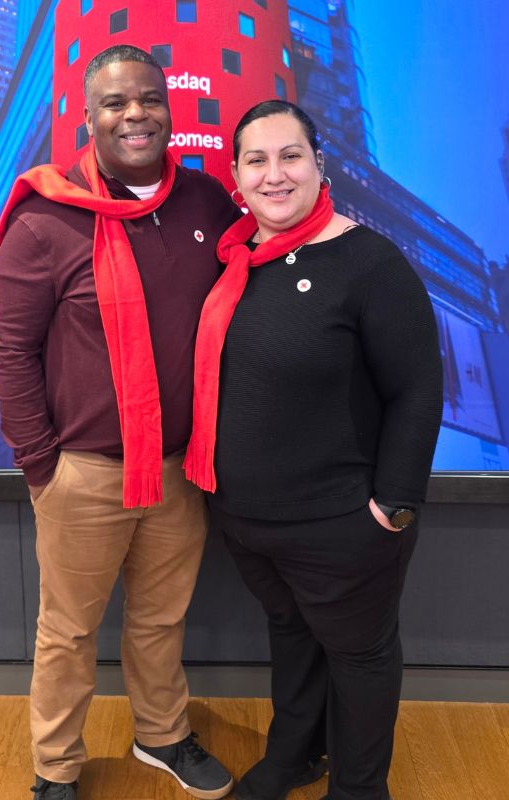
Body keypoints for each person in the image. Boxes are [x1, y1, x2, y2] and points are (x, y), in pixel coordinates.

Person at [0, 45, 241, 800]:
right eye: (115, 103)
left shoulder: (204, 202)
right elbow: (10, 349)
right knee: (67, 633)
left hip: (179, 468)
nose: (135, 114)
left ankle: (162, 736)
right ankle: (55, 770)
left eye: (149, 99)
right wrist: (43, 463)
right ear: (90, 117)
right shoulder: (46, 217)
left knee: (162, 622)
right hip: (85, 474)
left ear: (170, 108)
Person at [184, 100, 443, 800]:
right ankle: (295, 755)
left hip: (342, 527)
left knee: (358, 657)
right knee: (292, 638)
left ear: (318, 163)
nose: (275, 174)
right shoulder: (238, 260)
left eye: (290, 155)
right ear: (235, 176)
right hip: (248, 521)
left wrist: (393, 506)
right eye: (256, 160)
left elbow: (418, 391)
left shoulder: (369, 263)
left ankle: (359, 789)